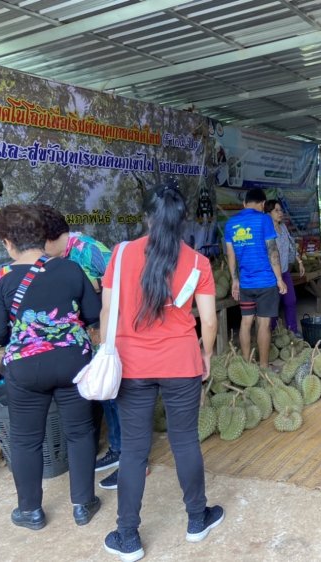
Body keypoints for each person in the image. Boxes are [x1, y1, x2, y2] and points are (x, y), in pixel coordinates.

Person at [100, 181, 222, 561]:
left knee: (134, 450)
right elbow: (209, 322)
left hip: (131, 365)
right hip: (181, 362)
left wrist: (108, 352)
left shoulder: (119, 255)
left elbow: (107, 314)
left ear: (146, 217)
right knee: (184, 440)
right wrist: (207, 356)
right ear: (182, 219)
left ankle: (127, 537)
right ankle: (197, 520)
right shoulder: (198, 263)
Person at [0, 204, 102, 530]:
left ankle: (31, 511)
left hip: (25, 368)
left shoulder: (1, 278)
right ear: (41, 235)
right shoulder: (70, 269)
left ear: (7, 242)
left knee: (25, 439)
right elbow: (94, 313)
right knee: (79, 433)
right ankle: (83, 504)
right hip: (73, 363)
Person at [33, 204, 125, 489]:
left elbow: (124, 280)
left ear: (49, 238)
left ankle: (132, 458)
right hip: (86, 342)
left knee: (118, 398)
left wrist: (95, 284)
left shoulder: (89, 249)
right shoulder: (51, 261)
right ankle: (118, 449)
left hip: (110, 337)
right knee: (105, 396)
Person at [224, 188, 287, 369]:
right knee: (264, 325)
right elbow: (272, 251)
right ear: (261, 204)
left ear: (244, 203)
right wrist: (279, 279)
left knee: (245, 323)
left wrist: (235, 280)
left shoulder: (231, 223)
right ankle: (264, 366)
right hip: (266, 282)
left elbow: (230, 255)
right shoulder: (264, 219)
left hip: (245, 284)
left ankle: (247, 365)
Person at [264, 199, 304, 336]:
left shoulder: (283, 227)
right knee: (274, 305)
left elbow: (291, 245)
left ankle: (292, 331)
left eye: (281, 210)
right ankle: (275, 333)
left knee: (290, 300)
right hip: (271, 274)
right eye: (276, 210)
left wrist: (299, 261)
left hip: (285, 271)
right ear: (268, 213)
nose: (280, 213)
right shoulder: (266, 230)